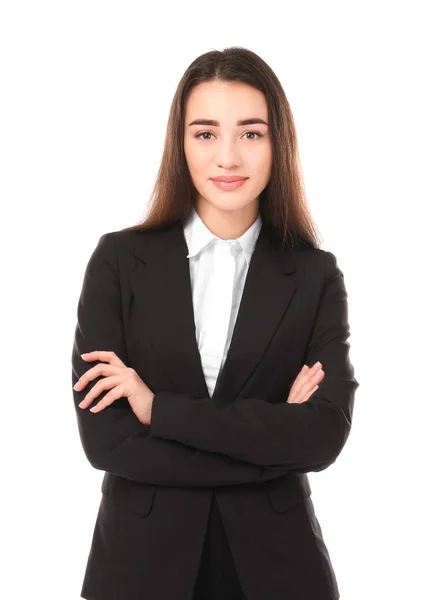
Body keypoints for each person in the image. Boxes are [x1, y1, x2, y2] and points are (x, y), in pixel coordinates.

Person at [71, 46, 359, 600]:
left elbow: (322, 437)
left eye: (250, 133)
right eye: (205, 134)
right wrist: (272, 437)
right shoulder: (117, 262)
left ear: (279, 144)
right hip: (139, 571)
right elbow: (106, 443)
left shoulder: (315, 275)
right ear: (180, 145)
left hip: (278, 571)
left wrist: (158, 410)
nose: (228, 157)